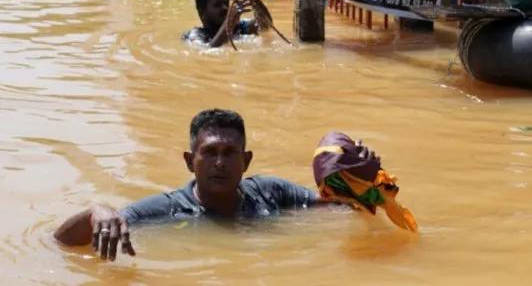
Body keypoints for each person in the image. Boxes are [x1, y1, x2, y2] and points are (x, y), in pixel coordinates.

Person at [53, 109, 376, 261]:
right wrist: (98, 211)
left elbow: (340, 210)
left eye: (228, 153)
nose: (219, 162)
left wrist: (362, 182)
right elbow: (61, 242)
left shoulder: (272, 193)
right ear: (189, 161)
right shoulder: (165, 210)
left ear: (245, 161)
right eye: (209, 153)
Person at [183, 0, 258, 47]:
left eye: (226, 3)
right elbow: (207, 50)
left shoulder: (239, 27)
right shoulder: (196, 34)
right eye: (217, 5)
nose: (225, 8)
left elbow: (265, 25)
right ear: (202, 13)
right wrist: (229, 21)